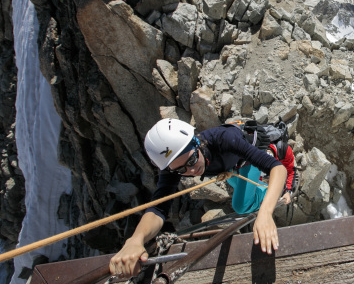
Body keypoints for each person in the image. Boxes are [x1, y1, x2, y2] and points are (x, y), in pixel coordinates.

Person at [109, 119, 287, 279]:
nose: (192, 170)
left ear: (196, 142)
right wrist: (135, 240)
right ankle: (261, 189)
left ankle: (277, 192)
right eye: (181, 170)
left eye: (192, 159)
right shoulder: (173, 164)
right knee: (239, 188)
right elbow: (158, 209)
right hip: (230, 168)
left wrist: (265, 213)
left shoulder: (224, 139)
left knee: (241, 205)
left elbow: (277, 168)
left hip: (247, 162)